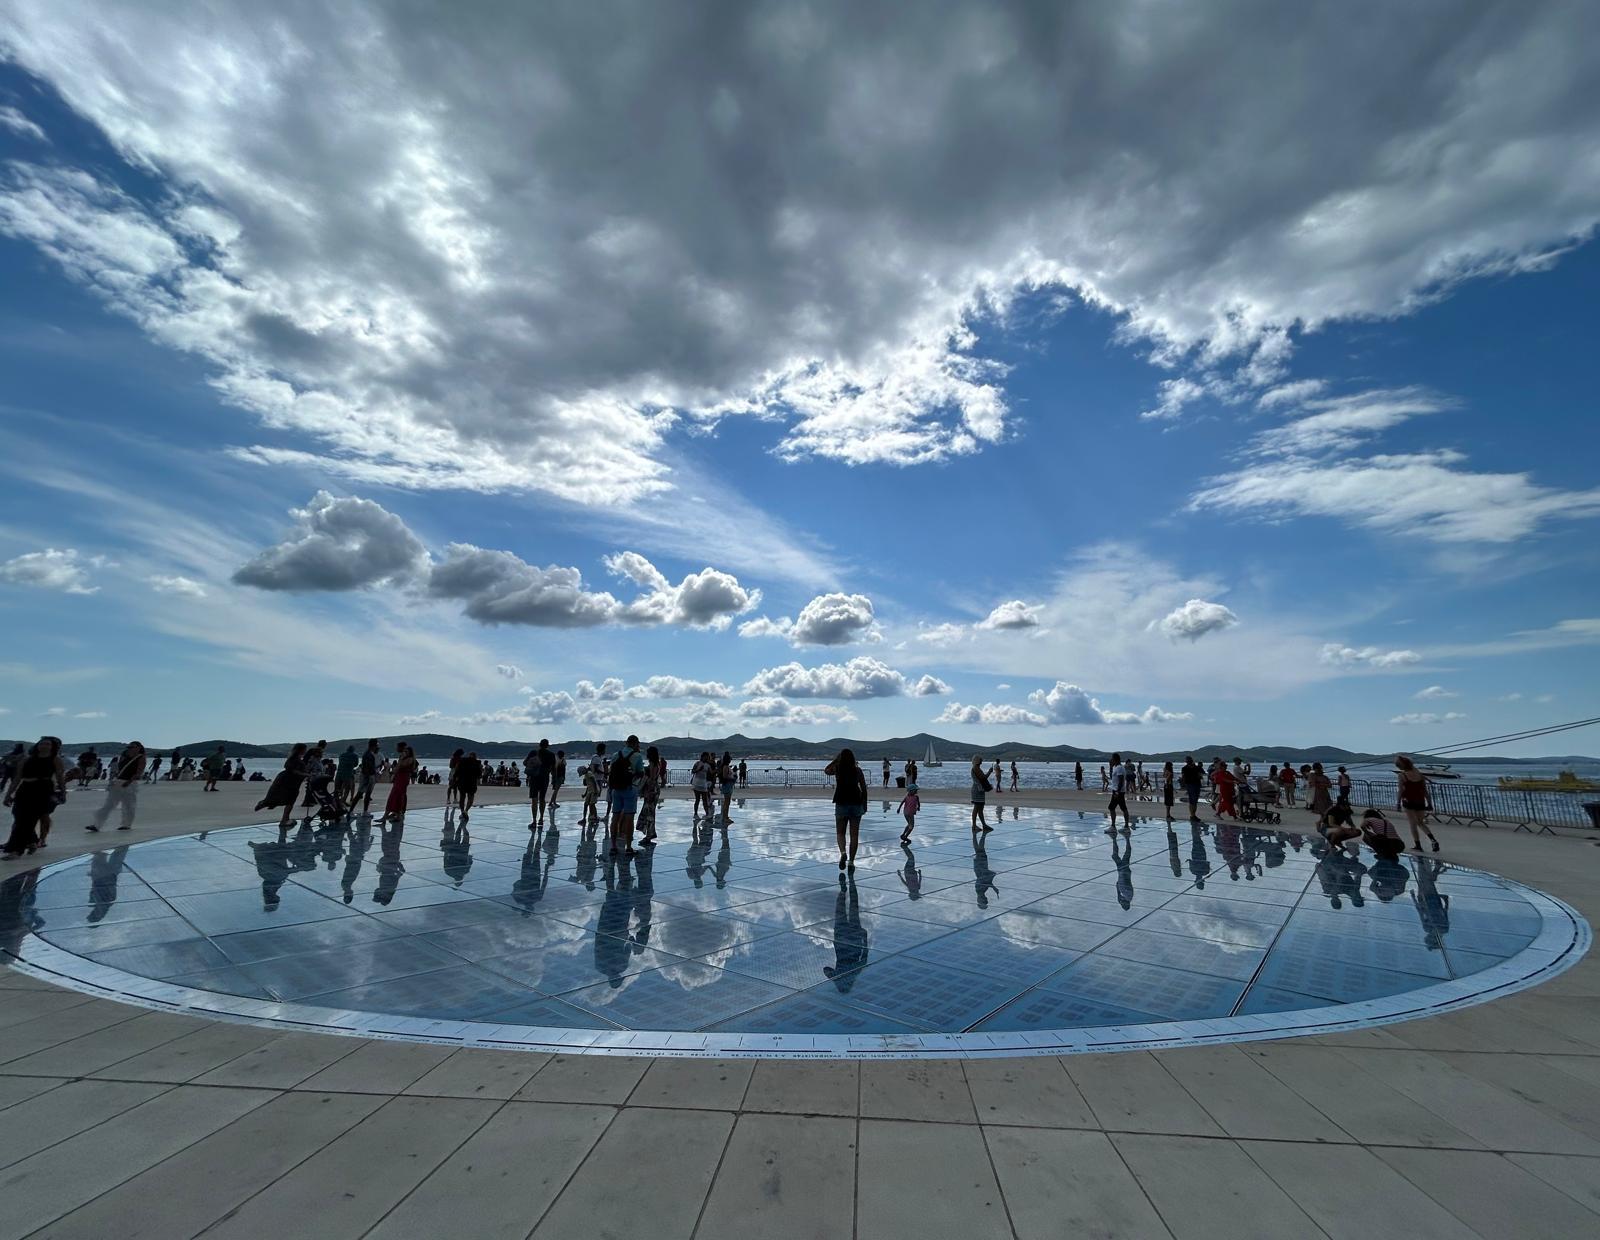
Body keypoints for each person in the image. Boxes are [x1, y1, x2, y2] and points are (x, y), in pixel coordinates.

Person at [4, 737, 66, 858]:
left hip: (43, 790)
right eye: (42, 743)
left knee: (28, 820)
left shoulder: (55, 759)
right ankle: (32, 841)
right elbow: (17, 778)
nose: (44, 746)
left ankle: (15, 850)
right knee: (18, 815)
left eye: (48, 744)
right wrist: (8, 794)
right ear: (37, 745)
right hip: (25, 788)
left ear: (52, 747)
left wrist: (63, 792)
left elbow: (60, 777)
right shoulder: (26, 759)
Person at [86, 741, 145, 834]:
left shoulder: (141, 758)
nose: (129, 749)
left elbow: (138, 773)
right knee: (108, 804)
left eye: (132, 747)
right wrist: (114, 780)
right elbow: (119, 770)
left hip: (130, 784)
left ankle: (126, 825)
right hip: (118, 782)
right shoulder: (124, 756)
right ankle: (96, 824)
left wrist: (128, 782)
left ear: (138, 748)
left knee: (128, 806)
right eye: (129, 747)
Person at [826, 748, 869, 871]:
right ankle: (851, 861)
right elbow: (864, 788)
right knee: (854, 835)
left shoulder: (837, 770)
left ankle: (843, 852)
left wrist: (836, 759)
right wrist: (865, 804)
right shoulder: (858, 771)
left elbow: (826, 770)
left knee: (840, 832)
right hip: (856, 803)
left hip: (841, 802)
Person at [607, 734, 645, 857]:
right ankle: (628, 847)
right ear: (635, 744)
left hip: (616, 790)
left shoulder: (615, 755)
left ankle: (613, 846)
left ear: (626, 743)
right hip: (629, 789)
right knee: (629, 818)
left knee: (615, 817)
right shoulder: (637, 756)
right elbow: (641, 772)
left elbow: (611, 771)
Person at [1395, 755, 1440, 852]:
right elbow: (1425, 791)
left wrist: (1398, 803)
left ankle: (1418, 845)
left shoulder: (1402, 775)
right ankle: (1433, 840)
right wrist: (1429, 803)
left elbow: (1400, 791)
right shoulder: (1419, 774)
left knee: (1413, 824)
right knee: (1421, 822)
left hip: (1408, 801)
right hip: (1420, 801)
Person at [379, 741, 416, 825]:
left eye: (406, 752)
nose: (404, 753)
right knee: (396, 795)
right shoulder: (406, 759)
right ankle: (394, 814)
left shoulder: (409, 759)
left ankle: (393, 814)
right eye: (404, 751)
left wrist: (401, 759)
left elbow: (399, 767)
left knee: (397, 795)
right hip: (400, 778)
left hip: (403, 779)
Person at [525, 739, 554, 829]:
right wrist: (554, 779)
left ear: (539, 745)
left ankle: (534, 821)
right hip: (545, 778)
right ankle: (541, 818)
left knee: (534, 799)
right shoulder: (551, 754)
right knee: (542, 799)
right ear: (547, 745)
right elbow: (553, 768)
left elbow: (525, 762)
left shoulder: (534, 752)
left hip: (534, 778)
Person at [638, 745, 662, 845]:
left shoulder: (652, 764)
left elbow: (652, 779)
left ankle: (649, 835)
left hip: (652, 790)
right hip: (656, 789)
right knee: (650, 812)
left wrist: (649, 792)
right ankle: (651, 833)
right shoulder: (658, 763)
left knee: (649, 813)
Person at [1106, 752, 1131, 831]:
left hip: (1118, 791)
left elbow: (1121, 780)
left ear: (1115, 759)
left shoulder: (1120, 768)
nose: (1111, 760)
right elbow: (1111, 777)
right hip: (1117, 790)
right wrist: (1110, 767)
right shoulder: (1116, 767)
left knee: (1111, 807)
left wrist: (1117, 791)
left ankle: (1113, 826)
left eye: (1112, 759)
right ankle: (1126, 826)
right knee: (1123, 808)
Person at [358, 739, 381, 814]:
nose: (378, 747)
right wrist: (370, 775)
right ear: (374, 746)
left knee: (363, 794)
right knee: (362, 794)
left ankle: (364, 811)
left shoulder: (368, 754)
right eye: (377, 745)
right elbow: (368, 767)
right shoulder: (369, 754)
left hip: (368, 775)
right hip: (368, 776)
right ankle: (363, 811)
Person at [457, 750, 482, 818]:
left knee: (462, 797)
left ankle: (462, 811)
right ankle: (466, 810)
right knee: (471, 798)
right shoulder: (477, 763)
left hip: (463, 782)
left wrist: (456, 779)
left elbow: (457, 771)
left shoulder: (462, 761)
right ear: (475, 757)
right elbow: (479, 774)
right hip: (472, 782)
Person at [896, 780, 920, 845]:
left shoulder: (913, 797)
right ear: (911, 791)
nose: (916, 791)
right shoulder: (913, 797)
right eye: (915, 790)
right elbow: (902, 802)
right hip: (910, 813)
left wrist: (918, 807)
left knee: (909, 824)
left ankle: (903, 834)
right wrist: (899, 808)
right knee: (911, 826)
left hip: (905, 813)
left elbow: (917, 803)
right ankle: (905, 836)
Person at [717, 751, 736, 824]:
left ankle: (726, 816)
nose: (730, 760)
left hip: (729, 785)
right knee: (726, 802)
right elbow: (725, 776)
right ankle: (725, 817)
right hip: (727, 785)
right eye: (730, 759)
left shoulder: (727, 766)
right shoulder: (725, 767)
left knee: (727, 802)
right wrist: (732, 778)